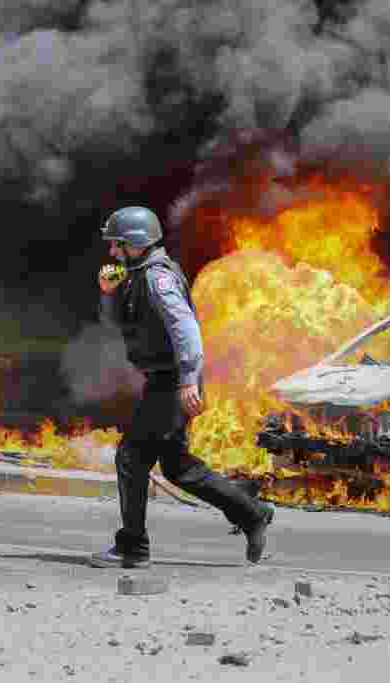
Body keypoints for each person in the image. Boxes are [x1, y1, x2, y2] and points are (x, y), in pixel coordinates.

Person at [90, 205, 274, 569]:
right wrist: (108, 292)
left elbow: (186, 329)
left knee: (131, 456)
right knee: (179, 468)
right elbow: (120, 324)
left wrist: (189, 379)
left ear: (136, 244)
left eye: (117, 244)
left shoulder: (158, 280)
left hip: (173, 381)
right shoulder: (136, 274)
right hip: (165, 380)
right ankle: (251, 514)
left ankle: (133, 548)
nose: (112, 252)